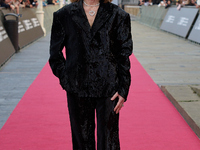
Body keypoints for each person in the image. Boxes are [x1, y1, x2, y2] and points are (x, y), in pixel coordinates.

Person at [49, 0, 133, 149]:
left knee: (109, 142)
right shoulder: (64, 14)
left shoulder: (118, 15)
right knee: (81, 141)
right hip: (77, 88)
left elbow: (124, 55)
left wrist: (123, 89)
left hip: (109, 88)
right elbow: (55, 55)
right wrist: (66, 79)